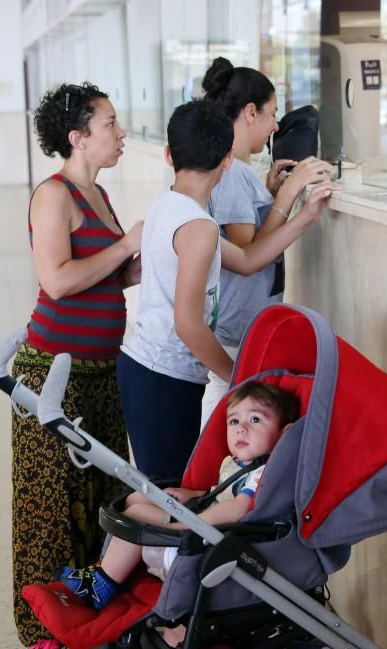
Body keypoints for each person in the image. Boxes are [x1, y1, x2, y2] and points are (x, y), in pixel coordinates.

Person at [118, 100, 337, 484]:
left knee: (162, 493)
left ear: (170, 155)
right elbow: (187, 324)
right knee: (169, 499)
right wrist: (240, 381)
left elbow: (249, 259)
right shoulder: (199, 227)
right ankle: (134, 547)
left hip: (148, 370)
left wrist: (306, 216)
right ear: (226, 161)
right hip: (162, 377)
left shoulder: (169, 206)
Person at [11, 82, 143, 649]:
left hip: (102, 371)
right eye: (110, 124)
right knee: (52, 506)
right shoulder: (54, 195)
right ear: (78, 138)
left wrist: (159, 254)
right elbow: (59, 281)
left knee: (103, 498)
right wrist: (123, 247)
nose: (121, 134)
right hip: (53, 376)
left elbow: (109, 276)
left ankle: (90, 618)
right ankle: (43, 627)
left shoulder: (100, 195)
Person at [56, 381, 301, 610]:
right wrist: (193, 494)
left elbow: (238, 507)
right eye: (234, 421)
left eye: (255, 419)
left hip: (205, 544)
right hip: (201, 524)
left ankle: (101, 584)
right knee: (135, 499)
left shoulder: (263, 473)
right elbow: (224, 493)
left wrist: (184, 524)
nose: (241, 429)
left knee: (135, 513)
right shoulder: (234, 463)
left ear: (284, 434)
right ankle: (104, 569)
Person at [199, 57, 332, 429]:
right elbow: (249, 251)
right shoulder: (235, 172)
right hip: (236, 325)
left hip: (238, 322)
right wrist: (288, 197)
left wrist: (272, 193)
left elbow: (248, 233)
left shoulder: (238, 170)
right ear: (250, 112)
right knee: (226, 417)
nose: (276, 125)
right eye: (272, 114)